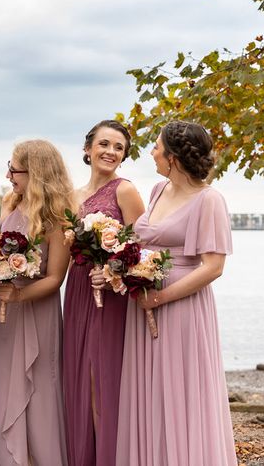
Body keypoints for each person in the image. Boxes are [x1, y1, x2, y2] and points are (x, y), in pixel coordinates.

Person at [114, 121, 236, 465]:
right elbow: (139, 241)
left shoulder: (209, 199)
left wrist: (160, 298)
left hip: (181, 306)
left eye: (156, 147)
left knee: (182, 391)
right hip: (143, 299)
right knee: (148, 391)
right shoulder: (156, 191)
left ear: (174, 158)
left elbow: (213, 267)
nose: (151, 152)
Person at [0, 140, 74, 465]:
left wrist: (20, 293)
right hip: (2, 313)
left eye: (14, 169)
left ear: (35, 173)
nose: (8, 175)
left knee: (38, 391)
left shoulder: (57, 217)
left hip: (37, 310)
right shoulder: (9, 204)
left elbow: (55, 278)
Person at [62, 120, 145, 466]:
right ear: (87, 149)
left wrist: (111, 269)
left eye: (118, 148)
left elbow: (141, 247)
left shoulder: (124, 190)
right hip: (78, 291)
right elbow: (64, 252)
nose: (111, 152)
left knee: (102, 381)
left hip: (111, 294)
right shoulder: (70, 196)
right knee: (78, 378)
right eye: (104, 144)